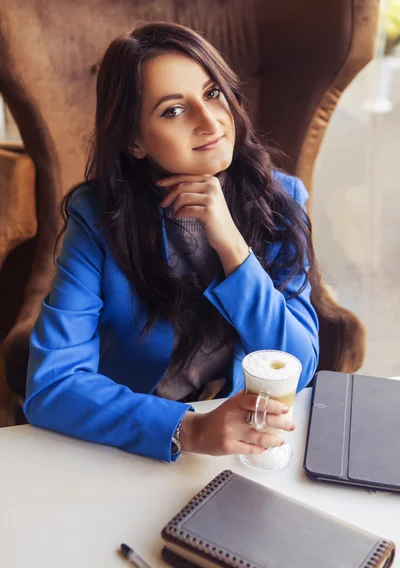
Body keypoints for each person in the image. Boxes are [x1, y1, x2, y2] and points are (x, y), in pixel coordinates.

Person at [24, 22, 320, 463]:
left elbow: (297, 364)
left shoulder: (280, 199)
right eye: (172, 111)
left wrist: (232, 247)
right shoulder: (97, 216)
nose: (209, 121)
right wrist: (188, 428)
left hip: (249, 448)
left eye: (213, 93)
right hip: (133, 442)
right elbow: (52, 383)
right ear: (135, 141)